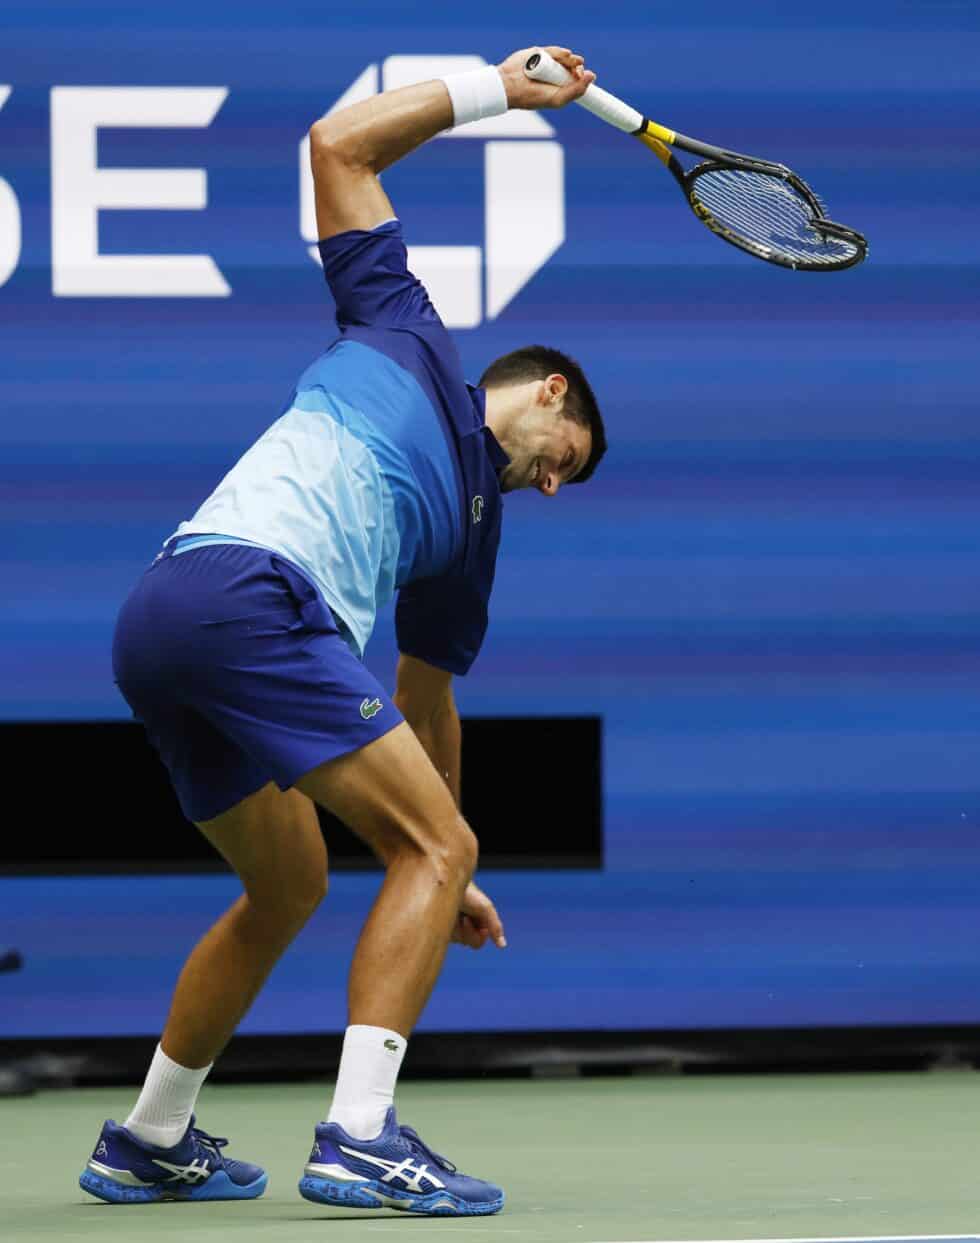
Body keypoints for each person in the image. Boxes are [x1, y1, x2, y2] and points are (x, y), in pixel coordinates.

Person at [79, 44, 605, 1216]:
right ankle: (362, 1136)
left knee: (291, 883)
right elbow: (337, 144)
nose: (554, 485)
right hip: (242, 595)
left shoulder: (469, 541)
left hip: (165, 618)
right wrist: (497, 92)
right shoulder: (409, 335)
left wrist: (444, 843)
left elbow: (426, 699)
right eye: (563, 462)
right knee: (419, 849)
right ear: (548, 393)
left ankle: (148, 1135)